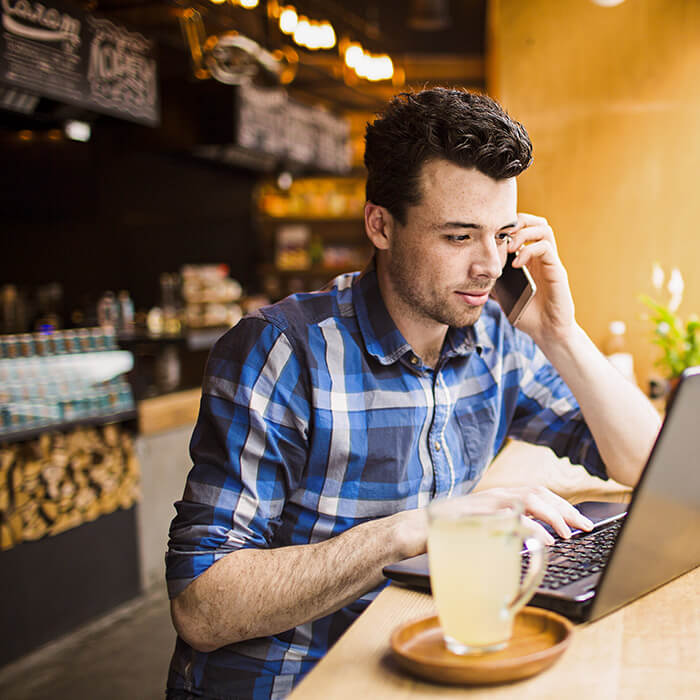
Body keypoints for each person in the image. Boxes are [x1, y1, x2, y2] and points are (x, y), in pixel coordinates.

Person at [165, 88, 661, 699]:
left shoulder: (493, 337)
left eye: (502, 235)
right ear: (381, 224)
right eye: (459, 237)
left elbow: (646, 463)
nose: (488, 267)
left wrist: (561, 333)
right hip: (294, 682)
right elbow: (201, 607)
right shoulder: (282, 352)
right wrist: (419, 529)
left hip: (414, 660)